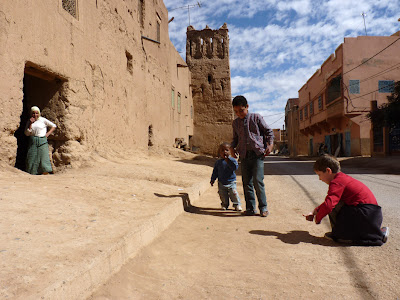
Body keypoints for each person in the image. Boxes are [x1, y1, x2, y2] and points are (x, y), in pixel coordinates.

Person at [303, 154, 389, 245]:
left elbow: (329, 205)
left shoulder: (337, 182)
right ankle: (374, 232)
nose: (320, 179)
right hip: (372, 216)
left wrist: (317, 218)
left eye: (320, 175)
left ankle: (341, 235)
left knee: (334, 206)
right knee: (337, 203)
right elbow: (328, 203)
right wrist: (315, 211)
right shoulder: (342, 178)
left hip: (366, 214)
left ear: (328, 171)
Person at [229, 95, 274, 217]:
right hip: (244, 155)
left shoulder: (256, 117)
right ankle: (250, 208)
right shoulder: (235, 123)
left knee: (258, 181)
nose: (239, 113)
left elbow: (269, 132)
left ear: (247, 107)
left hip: (257, 155)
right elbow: (235, 139)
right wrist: (232, 148)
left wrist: (270, 145)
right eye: (236, 111)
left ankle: (263, 208)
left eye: (241, 110)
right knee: (246, 182)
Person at [24, 106, 57, 175]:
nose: (35, 115)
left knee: (43, 157)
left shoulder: (43, 120)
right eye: (33, 113)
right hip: (33, 141)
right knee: (32, 157)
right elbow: (27, 133)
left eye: (37, 113)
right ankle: (32, 172)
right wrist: (30, 123)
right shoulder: (29, 121)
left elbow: (54, 126)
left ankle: (45, 172)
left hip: (42, 141)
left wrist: (47, 134)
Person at [210, 142, 242, 211]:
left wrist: (228, 160)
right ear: (219, 152)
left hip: (231, 182)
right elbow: (215, 172)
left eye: (227, 150)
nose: (225, 152)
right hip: (221, 182)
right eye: (222, 150)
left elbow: (235, 168)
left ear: (230, 151)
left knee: (234, 194)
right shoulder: (218, 162)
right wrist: (213, 179)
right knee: (223, 195)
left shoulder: (232, 160)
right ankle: (224, 205)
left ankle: (237, 204)